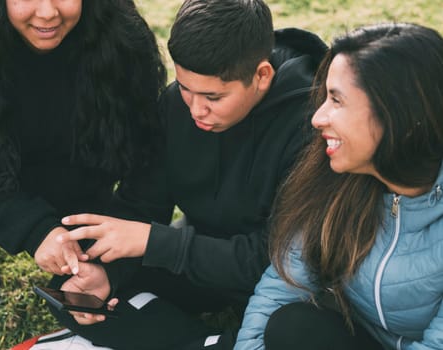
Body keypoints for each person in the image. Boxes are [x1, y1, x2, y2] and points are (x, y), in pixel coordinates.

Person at [43, 0, 327, 349]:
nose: (195, 109)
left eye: (212, 97)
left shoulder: (311, 125)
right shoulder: (175, 105)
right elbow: (142, 204)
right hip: (201, 261)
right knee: (70, 291)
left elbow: (276, 262)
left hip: (272, 279)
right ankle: (205, 342)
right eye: (185, 88)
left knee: (292, 331)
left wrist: (156, 242)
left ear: (262, 75)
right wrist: (105, 273)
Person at [0, 0, 166, 315]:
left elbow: (147, 153)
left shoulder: (121, 33)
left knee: (89, 244)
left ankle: (82, 239)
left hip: (78, 171)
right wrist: (34, 230)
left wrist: (104, 256)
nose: (48, 12)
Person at [235, 22, 443, 350]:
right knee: (292, 327)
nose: (318, 117)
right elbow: (279, 289)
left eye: (337, 100)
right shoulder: (338, 178)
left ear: (397, 114)